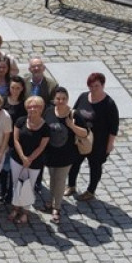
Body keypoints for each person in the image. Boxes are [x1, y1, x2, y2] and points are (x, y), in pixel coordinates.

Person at [66, 72, 119, 201]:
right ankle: (71, 185)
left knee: (95, 166)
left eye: (96, 86)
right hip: (81, 139)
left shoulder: (109, 104)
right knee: (74, 162)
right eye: (91, 86)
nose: (93, 89)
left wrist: (109, 145)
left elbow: (113, 127)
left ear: (103, 85)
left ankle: (91, 191)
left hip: (98, 142)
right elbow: (74, 112)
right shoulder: (84, 96)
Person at [43, 87, 88, 223]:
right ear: (54, 100)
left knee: (60, 180)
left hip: (67, 154)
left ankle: (57, 208)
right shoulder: (49, 112)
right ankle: (50, 201)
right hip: (51, 153)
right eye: (58, 98)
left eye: (63, 98)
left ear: (67, 99)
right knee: (52, 178)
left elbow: (85, 133)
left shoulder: (74, 115)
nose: (61, 101)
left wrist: (71, 126)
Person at [9, 96, 50, 225]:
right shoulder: (20, 121)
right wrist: (22, 157)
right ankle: (15, 208)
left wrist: (29, 159)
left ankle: (25, 212)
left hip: (34, 162)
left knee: (28, 187)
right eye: (30, 106)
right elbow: (15, 140)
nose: (33, 109)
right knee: (16, 184)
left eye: (36, 106)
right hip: (17, 159)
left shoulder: (45, 127)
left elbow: (42, 146)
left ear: (41, 109)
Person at [0, 75, 27, 205]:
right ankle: (2, 191)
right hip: (2, 140)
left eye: (18, 88)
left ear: (22, 89)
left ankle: (10, 193)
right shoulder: (3, 101)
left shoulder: (23, 105)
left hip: (15, 142)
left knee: (13, 170)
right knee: (3, 170)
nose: (15, 90)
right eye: (13, 87)